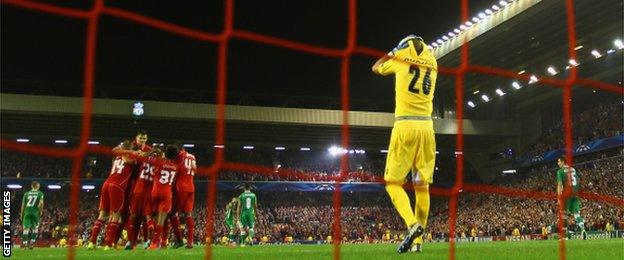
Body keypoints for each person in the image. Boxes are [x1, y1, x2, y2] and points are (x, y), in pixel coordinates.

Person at [372, 34, 438, 253]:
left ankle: (412, 224)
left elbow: (376, 67)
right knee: (422, 187)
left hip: (405, 126)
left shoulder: (401, 58)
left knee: (392, 183)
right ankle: (418, 244)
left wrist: (393, 50)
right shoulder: (433, 61)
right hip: (427, 129)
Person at [88, 140, 138, 250]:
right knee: (116, 216)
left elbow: (115, 150)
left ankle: (92, 242)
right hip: (117, 186)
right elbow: (131, 161)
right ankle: (108, 244)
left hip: (106, 184)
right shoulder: (131, 159)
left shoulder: (116, 157)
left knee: (102, 215)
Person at [149, 145, 179, 249]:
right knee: (161, 220)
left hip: (155, 191)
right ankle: (154, 243)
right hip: (166, 193)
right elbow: (173, 181)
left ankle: (150, 225)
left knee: (152, 216)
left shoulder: (159, 161)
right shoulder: (175, 167)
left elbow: (148, 160)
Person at [169, 147, 197, 249]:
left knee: (172, 213)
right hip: (191, 186)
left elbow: (175, 170)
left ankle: (179, 240)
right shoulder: (192, 156)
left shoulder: (180, 156)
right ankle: (190, 242)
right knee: (188, 214)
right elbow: (195, 169)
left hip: (180, 187)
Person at [556, 156, 587, 240]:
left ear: (563, 162)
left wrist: (559, 197)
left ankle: (564, 237)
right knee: (576, 214)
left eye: (559, 162)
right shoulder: (573, 169)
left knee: (564, 215)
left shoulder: (560, 171)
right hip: (575, 194)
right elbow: (577, 180)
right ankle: (583, 229)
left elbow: (560, 184)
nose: (558, 163)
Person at [20, 181, 44, 249]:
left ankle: (25, 244)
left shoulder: (26, 194)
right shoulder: (40, 193)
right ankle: (32, 243)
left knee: (26, 229)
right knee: (35, 228)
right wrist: (40, 211)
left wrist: (22, 214)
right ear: (37, 186)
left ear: (31, 186)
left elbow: (23, 205)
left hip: (27, 213)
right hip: (35, 213)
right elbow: (41, 203)